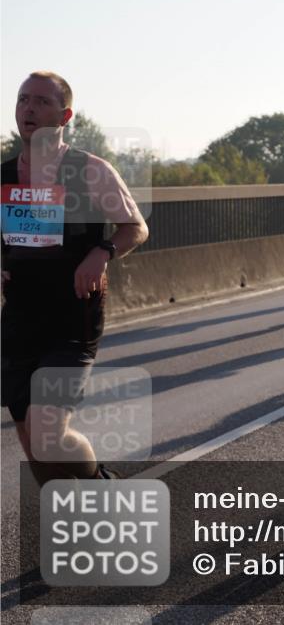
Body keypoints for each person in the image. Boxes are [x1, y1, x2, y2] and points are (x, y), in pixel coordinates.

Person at [2, 71, 149, 484]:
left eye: (42, 101)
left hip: (72, 318)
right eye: (23, 99)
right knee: (34, 445)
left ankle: (102, 483)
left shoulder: (90, 170)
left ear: (65, 115)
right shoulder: (4, 175)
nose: (29, 108)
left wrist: (102, 252)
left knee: (47, 434)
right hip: (20, 320)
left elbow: (135, 228)